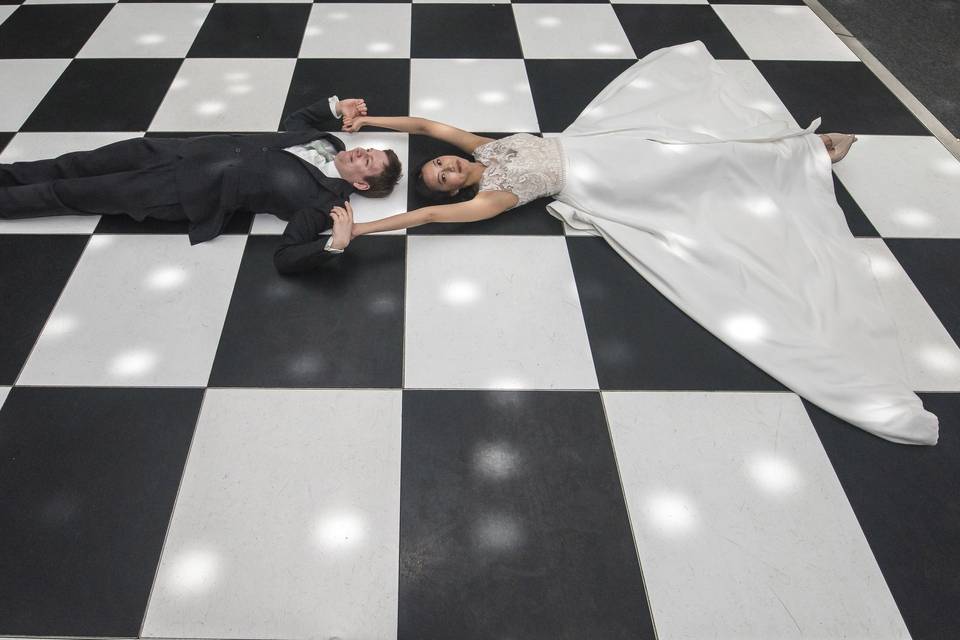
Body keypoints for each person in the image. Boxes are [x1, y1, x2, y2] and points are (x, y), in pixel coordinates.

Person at [338, 41, 938, 445]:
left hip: (603, 147)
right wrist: (366, 228)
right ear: (450, 191)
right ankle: (811, 154)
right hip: (609, 180)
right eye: (440, 177)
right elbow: (423, 219)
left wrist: (370, 120)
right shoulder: (488, 198)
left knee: (701, 142)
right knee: (702, 177)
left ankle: (798, 149)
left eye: (439, 164)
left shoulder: (483, 148)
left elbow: (422, 126)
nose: (442, 166)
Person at [0, 96, 402, 273]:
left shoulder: (323, 203)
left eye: (367, 162)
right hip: (169, 151)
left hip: (178, 192)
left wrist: (335, 244)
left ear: (362, 186)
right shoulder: (328, 141)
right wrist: (333, 109)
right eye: (367, 149)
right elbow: (295, 124)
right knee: (74, 165)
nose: (360, 151)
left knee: (71, 194)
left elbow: (286, 256)